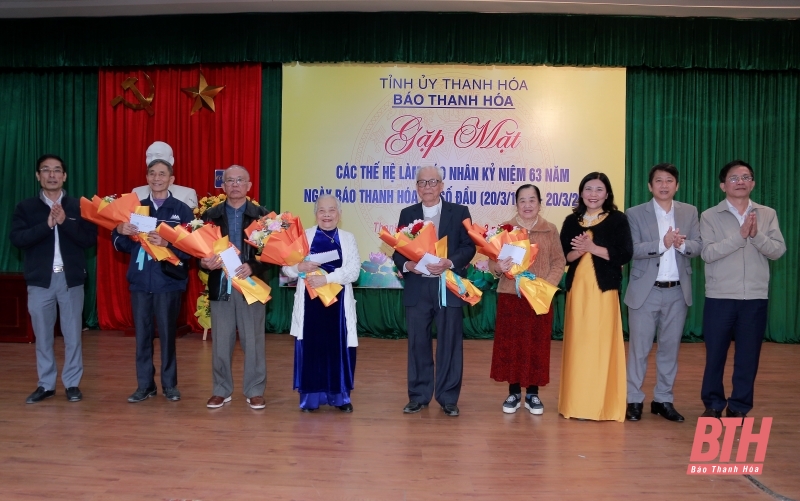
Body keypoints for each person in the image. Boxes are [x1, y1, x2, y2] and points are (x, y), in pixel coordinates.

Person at [699, 160, 785, 419]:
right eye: (734, 178)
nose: (740, 182)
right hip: (720, 297)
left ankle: (739, 406)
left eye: (746, 177)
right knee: (715, 356)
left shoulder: (766, 213)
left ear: (753, 183)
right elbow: (708, 253)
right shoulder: (709, 215)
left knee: (748, 357)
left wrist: (756, 235)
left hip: (755, 298)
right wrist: (740, 237)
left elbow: (778, 251)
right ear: (723, 185)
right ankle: (713, 404)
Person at [10, 154, 97, 404]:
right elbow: (18, 239)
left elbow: (89, 239)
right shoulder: (25, 208)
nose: (51, 175)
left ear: (64, 176)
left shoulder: (79, 206)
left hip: (70, 281)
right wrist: (47, 225)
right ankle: (46, 384)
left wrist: (64, 223)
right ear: (38, 176)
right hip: (40, 282)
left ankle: (72, 384)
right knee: (43, 336)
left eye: (57, 170)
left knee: (73, 336)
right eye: (46, 170)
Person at [392, 165, 476, 417]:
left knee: (450, 343)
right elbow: (398, 249)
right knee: (418, 343)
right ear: (416, 187)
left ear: (442, 185)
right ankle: (418, 396)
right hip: (418, 288)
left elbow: (469, 246)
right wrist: (407, 265)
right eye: (422, 183)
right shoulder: (407, 213)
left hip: (448, 285)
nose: (427, 187)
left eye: (432, 182)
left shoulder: (459, 211)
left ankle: (448, 397)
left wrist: (449, 262)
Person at [623, 163, 701, 423]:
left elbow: (698, 246)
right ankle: (633, 400)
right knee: (639, 349)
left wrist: (682, 245)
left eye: (669, 180)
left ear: (677, 185)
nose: (664, 185)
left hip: (677, 292)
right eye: (659, 180)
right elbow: (630, 249)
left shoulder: (689, 212)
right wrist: (662, 244)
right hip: (646, 292)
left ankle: (663, 399)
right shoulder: (634, 213)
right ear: (650, 186)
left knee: (670, 349)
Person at [113, 156, 193, 403]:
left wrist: (169, 244)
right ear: (146, 178)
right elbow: (120, 245)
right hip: (140, 282)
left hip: (168, 283)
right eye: (152, 174)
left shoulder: (182, 210)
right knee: (142, 336)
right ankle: (145, 385)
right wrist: (119, 230)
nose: (156, 178)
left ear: (171, 179)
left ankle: (170, 386)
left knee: (168, 335)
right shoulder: (135, 209)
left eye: (162, 174)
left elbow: (193, 248)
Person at [558, 172, 632, 422]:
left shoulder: (617, 220)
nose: (593, 194)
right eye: (588, 188)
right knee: (578, 346)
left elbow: (624, 254)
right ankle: (575, 403)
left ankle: (603, 406)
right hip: (578, 291)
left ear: (607, 193)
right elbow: (565, 258)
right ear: (581, 193)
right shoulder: (571, 221)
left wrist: (592, 248)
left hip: (604, 290)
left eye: (599, 189)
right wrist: (578, 252)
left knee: (601, 346)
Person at [488, 184, 565, 415]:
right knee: (512, 345)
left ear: (540, 203)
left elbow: (559, 262)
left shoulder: (550, 230)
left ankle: (533, 394)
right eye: (523, 200)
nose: (528, 205)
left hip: (539, 298)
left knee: (536, 345)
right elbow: (492, 262)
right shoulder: (505, 231)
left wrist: (545, 286)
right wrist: (498, 267)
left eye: (532, 200)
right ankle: (513, 392)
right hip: (511, 296)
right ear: (516, 204)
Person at [200, 165, 270, 410]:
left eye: (240, 180)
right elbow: (198, 248)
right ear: (224, 185)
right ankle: (221, 390)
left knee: (253, 341)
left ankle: (254, 390)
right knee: (221, 341)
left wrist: (253, 266)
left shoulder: (263, 216)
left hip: (252, 285)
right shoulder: (210, 216)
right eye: (230, 180)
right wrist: (203, 261)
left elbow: (272, 254)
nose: (235, 184)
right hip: (222, 284)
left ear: (249, 185)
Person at [283, 194, 360, 412]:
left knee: (339, 349)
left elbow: (353, 272)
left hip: (339, 305)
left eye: (332, 210)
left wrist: (326, 279)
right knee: (312, 349)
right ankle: (311, 399)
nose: (327, 215)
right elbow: (285, 268)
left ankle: (340, 398)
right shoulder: (303, 237)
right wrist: (299, 268)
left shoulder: (348, 238)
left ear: (340, 214)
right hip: (310, 304)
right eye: (322, 211)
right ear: (315, 214)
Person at [132, 141, 198, 209]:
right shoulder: (136, 193)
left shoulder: (187, 194)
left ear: (171, 160)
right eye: (149, 156)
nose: (153, 159)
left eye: (158, 155)